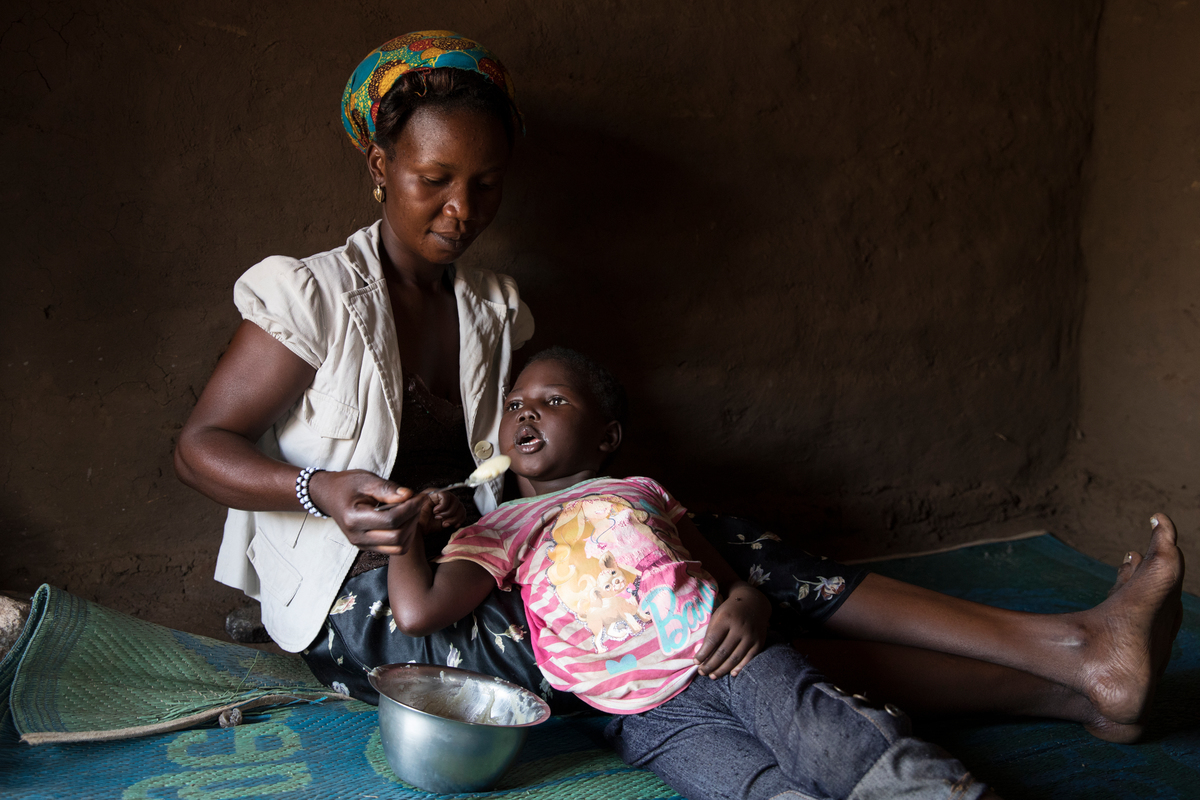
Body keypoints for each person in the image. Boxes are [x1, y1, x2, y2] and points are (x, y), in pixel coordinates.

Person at [176, 33, 1185, 743]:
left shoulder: (493, 306)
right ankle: (1066, 676)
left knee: (703, 575)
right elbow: (203, 443)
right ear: (377, 163)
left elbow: (507, 485)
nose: (459, 208)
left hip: (476, 550)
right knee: (670, 625)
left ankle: (1072, 657)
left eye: (484, 184)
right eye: (433, 178)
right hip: (364, 597)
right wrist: (321, 493)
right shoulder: (310, 291)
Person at [389, 348, 1010, 800]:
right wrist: (403, 534)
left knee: (826, 739)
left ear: (607, 436)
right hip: (638, 716)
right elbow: (419, 612)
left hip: (726, 656)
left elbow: (723, 576)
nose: (527, 414)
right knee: (745, 786)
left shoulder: (640, 491)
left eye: (554, 402)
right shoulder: (501, 527)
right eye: (516, 404)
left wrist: (749, 603)